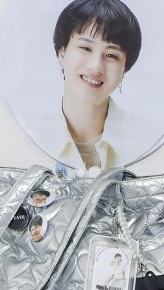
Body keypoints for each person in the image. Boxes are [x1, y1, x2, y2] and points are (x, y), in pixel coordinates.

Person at [46, 0, 151, 173]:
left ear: (125, 68)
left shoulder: (148, 141)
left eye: (111, 55)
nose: (96, 67)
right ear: (62, 52)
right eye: (86, 48)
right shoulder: (29, 136)